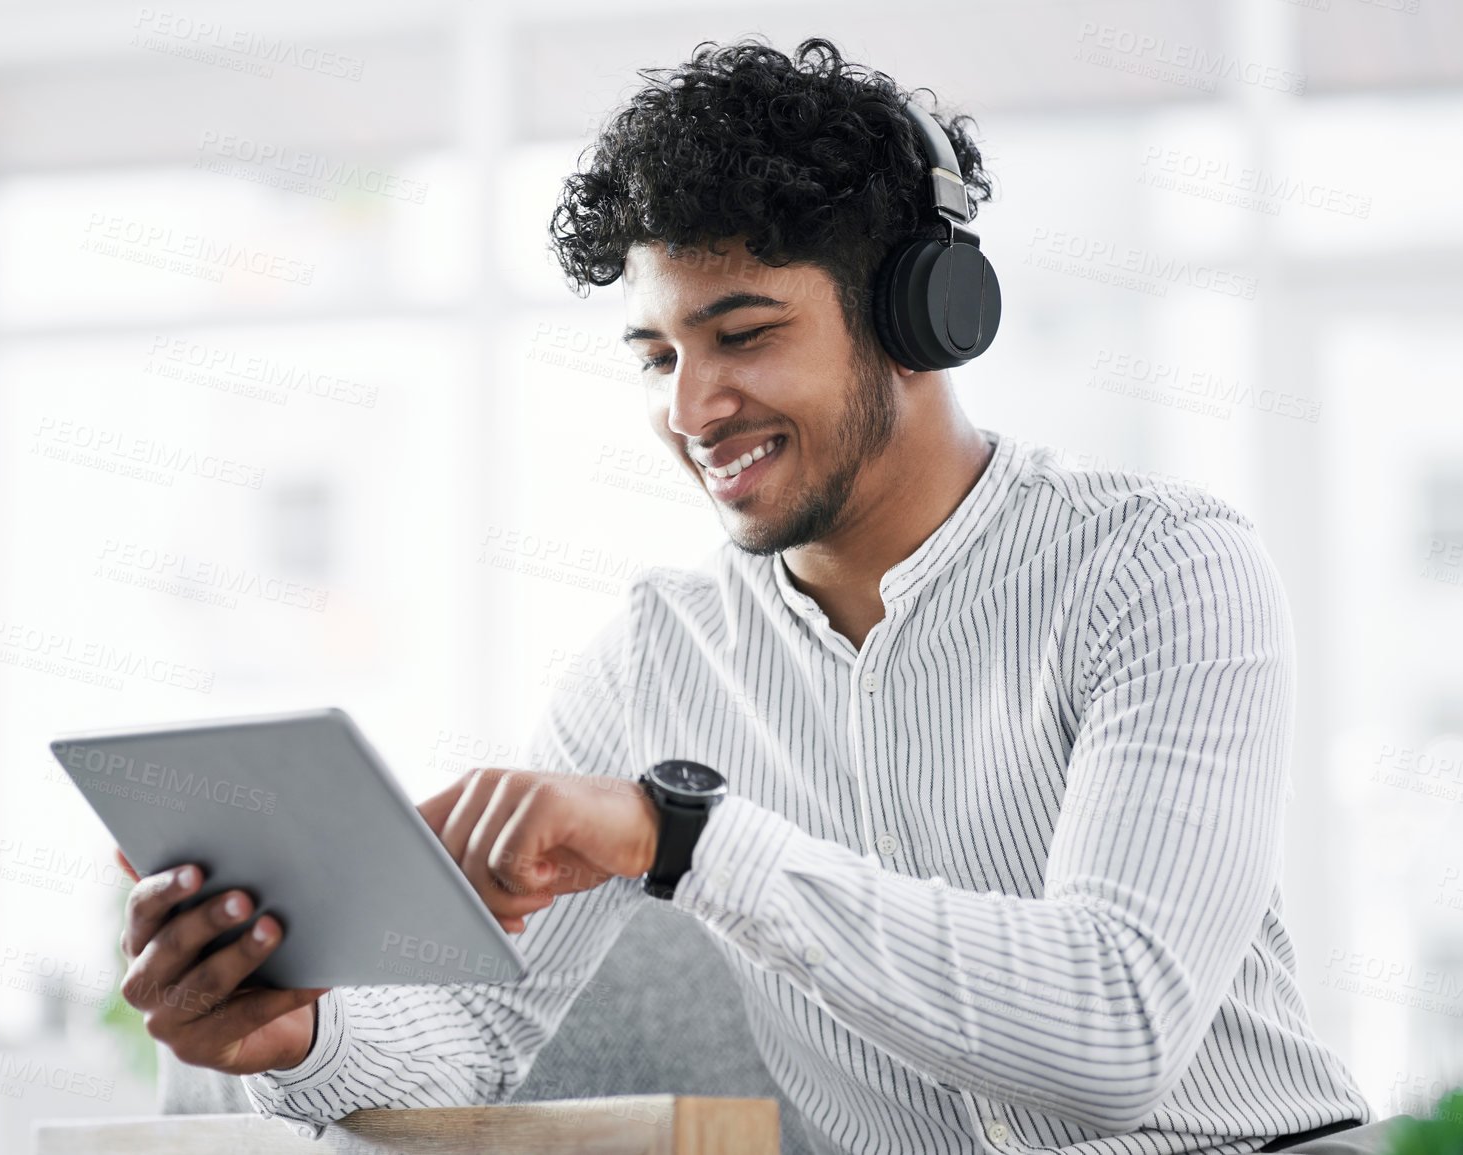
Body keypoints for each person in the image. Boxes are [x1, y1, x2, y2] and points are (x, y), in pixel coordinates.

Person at [115, 38, 1381, 1154]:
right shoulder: (654, 660)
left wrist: (684, 836)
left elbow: (1115, 1031)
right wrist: (299, 1035)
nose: (690, 410)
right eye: (659, 355)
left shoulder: (1159, 571)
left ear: (921, 317)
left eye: (744, 334)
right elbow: (481, 1039)